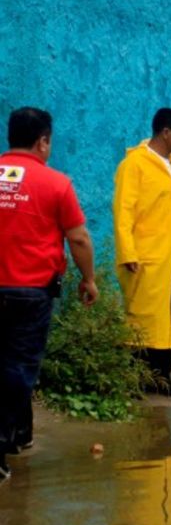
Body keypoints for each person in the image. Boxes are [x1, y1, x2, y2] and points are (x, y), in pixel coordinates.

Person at [0, 107, 98, 482]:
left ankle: (19, 437)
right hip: (29, 294)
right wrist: (89, 280)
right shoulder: (55, 183)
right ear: (43, 141)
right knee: (19, 369)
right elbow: (78, 237)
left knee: (7, 366)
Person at [113, 108, 171, 399]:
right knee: (143, 320)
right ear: (166, 132)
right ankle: (137, 381)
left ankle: (162, 380)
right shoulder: (134, 165)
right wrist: (128, 252)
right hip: (146, 257)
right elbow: (123, 211)